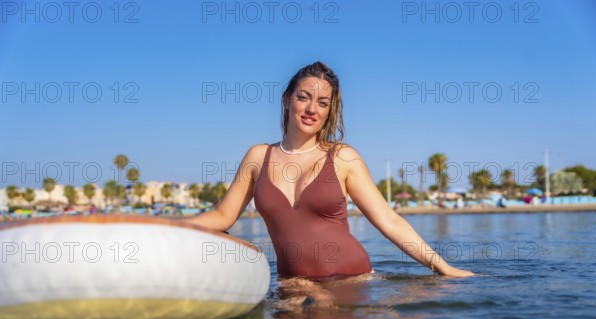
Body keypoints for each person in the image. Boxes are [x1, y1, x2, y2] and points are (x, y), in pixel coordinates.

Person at [188, 61, 473, 278]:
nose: (312, 108)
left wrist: (443, 267)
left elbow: (389, 220)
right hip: (295, 287)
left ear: (329, 110)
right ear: (287, 100)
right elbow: (223, 215)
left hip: (353, 281)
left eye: (322, 102)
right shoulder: (257, 157)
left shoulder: (342, 158)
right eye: (303, 97)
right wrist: (168, 227)